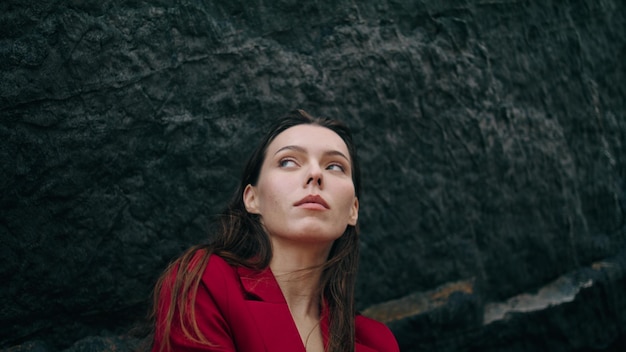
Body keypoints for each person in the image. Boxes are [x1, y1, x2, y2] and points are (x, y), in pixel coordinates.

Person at [150, 109, 399, 352]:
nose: (315, 174)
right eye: (288, 161)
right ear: (252, 198)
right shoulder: (206, 282)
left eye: (335, 166)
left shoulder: (377, 341)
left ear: (353, 210)